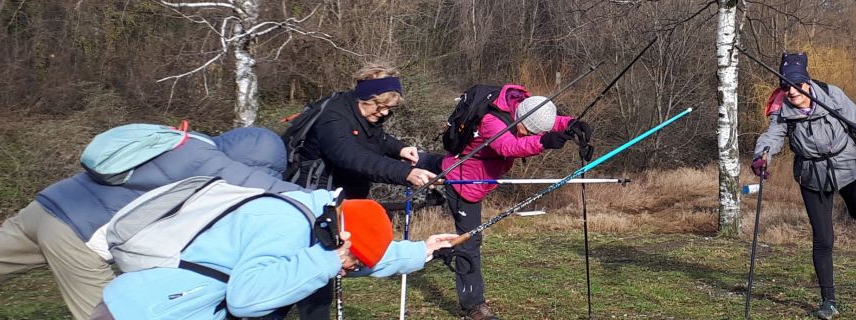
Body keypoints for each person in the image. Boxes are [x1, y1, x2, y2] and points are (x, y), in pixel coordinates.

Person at [0, 127, 306, 320]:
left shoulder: (180, 141)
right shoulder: (212, 165)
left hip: (44, 208)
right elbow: (276, 193)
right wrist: (335, 209)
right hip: (77, 237)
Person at [96, 188, 468, 319]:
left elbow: (359, 254)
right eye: (350, 261)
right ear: (343, 237)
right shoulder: (284, 222)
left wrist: (423, 250)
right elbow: (245, 299)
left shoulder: (320, 219)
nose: (349, 270)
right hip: (151, 309)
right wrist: (327, 262)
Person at [749, 51, 856, 319]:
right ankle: (829, 301)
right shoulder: (783, 109)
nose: (792, 92)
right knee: (823, 238)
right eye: (785, 87)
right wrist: (762, 156)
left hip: (847, 164)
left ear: (807, 82)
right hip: (811, 174)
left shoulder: (832, 95)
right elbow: (773, 135)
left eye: (796, 85)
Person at [438, 86, 591, 320]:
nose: (527, 135)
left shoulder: (522, 105)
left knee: (471, 238)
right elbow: (509, 147)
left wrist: (570, 124)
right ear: (518, 117)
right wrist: (544, 142)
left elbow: (542, 119)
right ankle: (473, 306)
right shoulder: (492, 121)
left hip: (481, 180)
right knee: (469, 241)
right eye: (526, 131)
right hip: (463, 180)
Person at [291, 65, 442, 199]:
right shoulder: (332, 117)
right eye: (381, 106)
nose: (384, 113)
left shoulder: (364, 115)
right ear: (366, 98)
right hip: (316, 196)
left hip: (347, 194)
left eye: (389, 108)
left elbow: (375, 137)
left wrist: (400, 149)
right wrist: (406, 173)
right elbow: (351, 156)